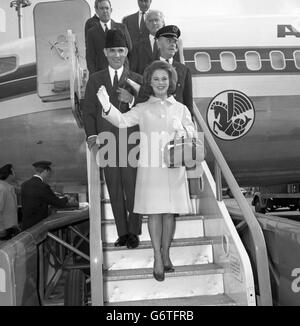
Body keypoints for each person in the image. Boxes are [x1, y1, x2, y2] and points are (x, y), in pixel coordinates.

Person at [98, 60, 197, 281]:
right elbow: (122, 121)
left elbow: (193, 132)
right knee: (154, 212)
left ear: (170, 81)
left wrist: (185, 130)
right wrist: (107, 107)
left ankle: (167, 253)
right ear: (149, 83)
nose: (160, 83)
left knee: (169, 213)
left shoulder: (181, 108)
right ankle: (157, 258)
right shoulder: (142, 108)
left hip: (173, 166)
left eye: (164, 78)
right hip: (151, 166)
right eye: (155, 79)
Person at [83, 29, 143, 249]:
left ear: (126, 51)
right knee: (114, 188)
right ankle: (122, 232)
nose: (117, 55)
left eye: (121, 50)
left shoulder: (137, 80)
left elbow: (147, 109)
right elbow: (88, 109)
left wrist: (134, 100)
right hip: (107, 140)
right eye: (112, 51)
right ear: (105, 52)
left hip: (130, 141)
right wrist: (91, 135)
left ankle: (134, 231)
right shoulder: (95, 79)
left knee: (132, 188)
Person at [21, 161, 76, 230]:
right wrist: (67, 198)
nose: (48, 177)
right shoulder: (43, 186)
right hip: (38, 226)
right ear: (45, 171)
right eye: (49, 174)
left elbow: (34, 199)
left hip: (26, 224)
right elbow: (59, 203)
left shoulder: (24, 184)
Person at [86, 0, 132, 74]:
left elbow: (129, 50)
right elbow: (90, 57)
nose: (105, 11)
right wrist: (94, 76)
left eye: (107, 8)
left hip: (121, 72)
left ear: (111, 10)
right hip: (102, 74)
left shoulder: (122, 28)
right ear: (96, 11)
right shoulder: (91, 33)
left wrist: (126, 70)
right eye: (101, 8)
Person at [156, 25, 193, 116]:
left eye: (175, 41)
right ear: (159, 43)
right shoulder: (149, 68)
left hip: (177, 122)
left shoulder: (184, 70)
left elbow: (188, 102)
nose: (173, 44)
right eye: (169, 41)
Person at [130, 9, 164, 75]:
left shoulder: (171, 44)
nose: (154, 23)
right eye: (150, 21)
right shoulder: (137, 47)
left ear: (162, 22)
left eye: (156, 20)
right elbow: (132, 72)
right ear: (146, 24)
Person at [0, 164, 20, 241]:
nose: (15, 174)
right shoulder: (2, 188)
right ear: (9, 174)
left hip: (10, 227)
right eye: (13, 172)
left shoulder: (8, 187)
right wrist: (1, 229)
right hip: (4, 229)